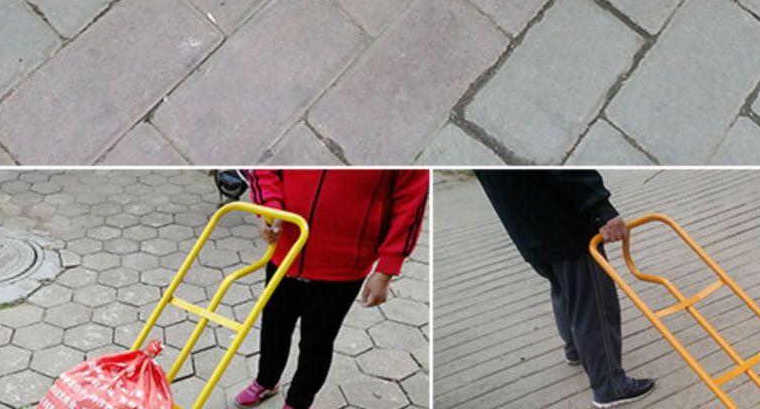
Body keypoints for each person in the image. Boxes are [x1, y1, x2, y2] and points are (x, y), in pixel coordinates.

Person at [235, 170, 429, 409]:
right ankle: (267, 380)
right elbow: (265, 167)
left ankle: (298, 401)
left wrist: (387, 267)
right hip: (285, 253)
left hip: (342, 266)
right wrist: (268, 208)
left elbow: (411, 202)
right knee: (273, 327)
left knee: (317, 342)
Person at [476, 171, 654, 407]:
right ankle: (611, 386)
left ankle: (576, 348)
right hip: (564, 224)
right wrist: (600, 207)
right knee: (593, 302)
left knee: (563, 287)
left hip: (523, 224)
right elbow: (562, 168)